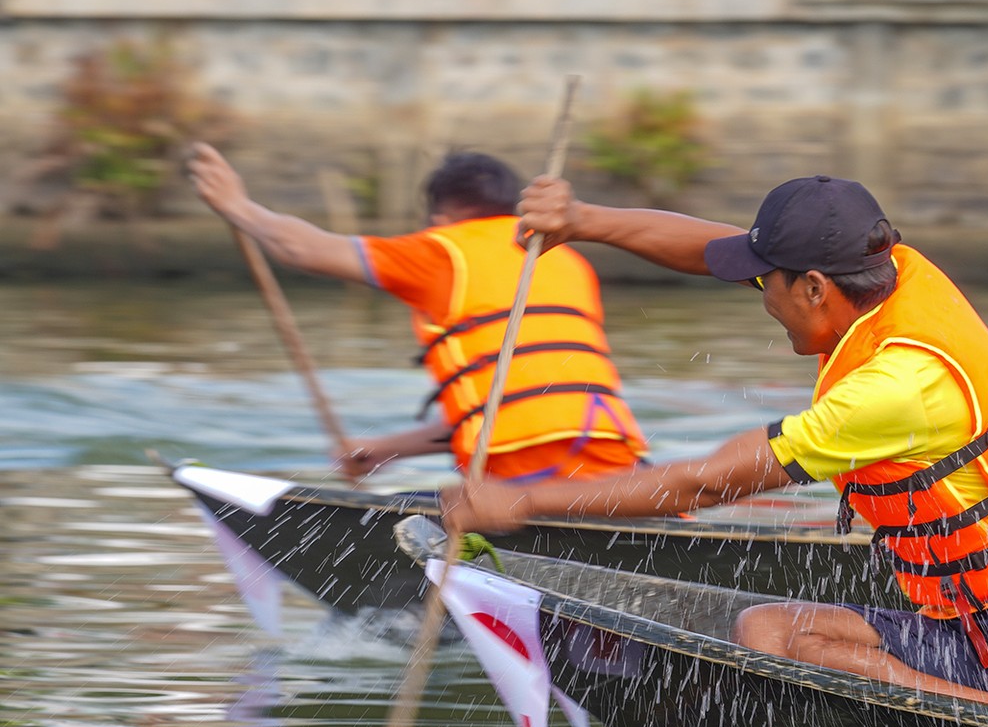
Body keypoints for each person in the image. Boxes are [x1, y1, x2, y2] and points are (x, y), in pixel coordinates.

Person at [443, 174, 988, 727]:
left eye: (767, 284)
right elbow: (711, 249)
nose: (759, 298)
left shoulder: (895, 386)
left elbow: (705, 484)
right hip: (978, 637)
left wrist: (518, 505)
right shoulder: (882, 268)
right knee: (770, 634)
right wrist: (581, 222)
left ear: (813, 287)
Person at [186, 144, 649, 484]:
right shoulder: (564, 257)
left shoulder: (442, 251)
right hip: (618, 469)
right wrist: (387, 450)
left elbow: (302, 247)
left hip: (527, 474)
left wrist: (237, 207)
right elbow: (513, 401)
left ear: (439, 217)